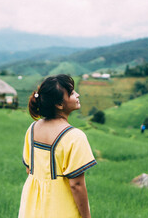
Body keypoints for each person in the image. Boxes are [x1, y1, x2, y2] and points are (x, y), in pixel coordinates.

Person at [19, 74, 97, 218]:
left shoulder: (32, 129)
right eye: (72, 93)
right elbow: (76, 185)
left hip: (32, 208)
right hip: (60, 208)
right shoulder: (75, 137)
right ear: (60, 104)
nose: (78, 95)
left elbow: (29, 169)